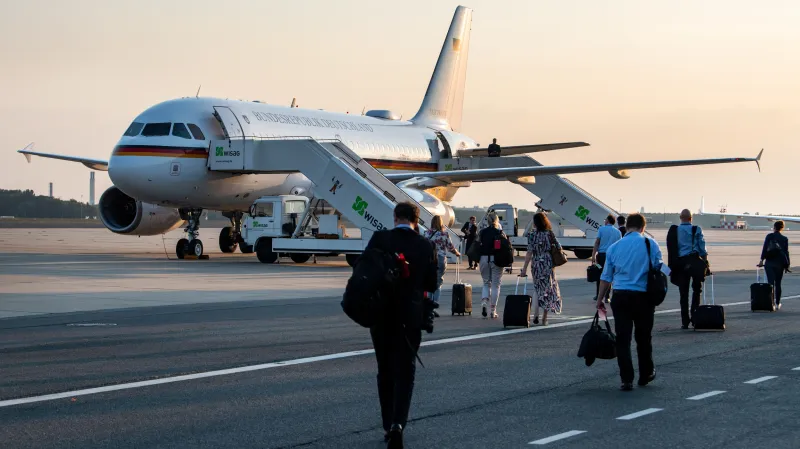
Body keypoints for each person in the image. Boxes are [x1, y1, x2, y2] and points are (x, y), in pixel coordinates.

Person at [365, 202, 438, 448]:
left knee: (385, 370)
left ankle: (387, 424)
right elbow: (431, 284)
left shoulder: (379, 238)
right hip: (410, 317)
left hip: (381, 314)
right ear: (417, 221)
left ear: (395, 217)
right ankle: (398, 424)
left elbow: (365, 271)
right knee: (406, 372)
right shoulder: (425, 245)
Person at [596, 213, 662, 391]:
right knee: (643, 337)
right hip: (643, 297)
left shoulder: (614, 247)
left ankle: (626, 379)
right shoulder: (650, 244)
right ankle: (646, 373)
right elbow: (658, 267)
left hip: (620, 296)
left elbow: (606, 277)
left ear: (626, 227)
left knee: (623, 339)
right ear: (643, 227)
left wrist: (600, 299)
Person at [666, 209, 708, 329]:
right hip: (694, 261)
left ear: (680, 218)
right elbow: (702, 248)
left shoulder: (675, 230)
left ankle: (685, 321)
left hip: (681, 263)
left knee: (683, 293)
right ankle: (695, 317)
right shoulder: (696, 229)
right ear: (691, 218)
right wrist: (705, 262)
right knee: (697, 290)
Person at [520, 212, 562, 325]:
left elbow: (529, 252)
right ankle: (544, 318)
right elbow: (559, 246)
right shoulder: (549, 233)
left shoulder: (531, 235)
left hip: (536, 263)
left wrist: (524, 268)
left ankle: (536, 314)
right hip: (547, 263)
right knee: (547, 290)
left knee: (537, 288)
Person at [424, 215, 461, 315]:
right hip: (440, 259)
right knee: (438, 282)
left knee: (429, 282)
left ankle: (428, 306)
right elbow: (450, 247)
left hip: (429, 259)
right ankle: (435, 305)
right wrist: (457, 253)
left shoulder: (426, 233)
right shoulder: (444, 234)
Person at [477, 212, 508, 318]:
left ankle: (484, 302)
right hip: (496, 259)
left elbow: (477, 243)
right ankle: (493, 310)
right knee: (495, 284)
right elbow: (506, 245)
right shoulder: (500, 232)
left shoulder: (482, 232)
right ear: (497, 221)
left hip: (483, 258)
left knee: (486, 283)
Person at [759, 220, 791, 310]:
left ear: (774, 227)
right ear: (782, 228)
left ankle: (770, 303)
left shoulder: (769, 236)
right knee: (778, 284)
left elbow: (765, 248)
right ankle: (777, 303)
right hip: (779, 264)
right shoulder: (784, 239)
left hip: (769, 263)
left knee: (770, 284)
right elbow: (786, 252)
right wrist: (787, 264)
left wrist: (761, 260)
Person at [592, 214, 622, 302]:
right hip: (613, 256)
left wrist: (593, 255)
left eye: (605, 220)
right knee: (610, 276)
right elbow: (619, 246)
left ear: (608, 221)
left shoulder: (601, 229)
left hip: (602, 256)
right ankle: (607, 297)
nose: (604, 221)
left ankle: (598, 295)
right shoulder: (618, 232)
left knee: (600, 275)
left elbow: (597, 242)